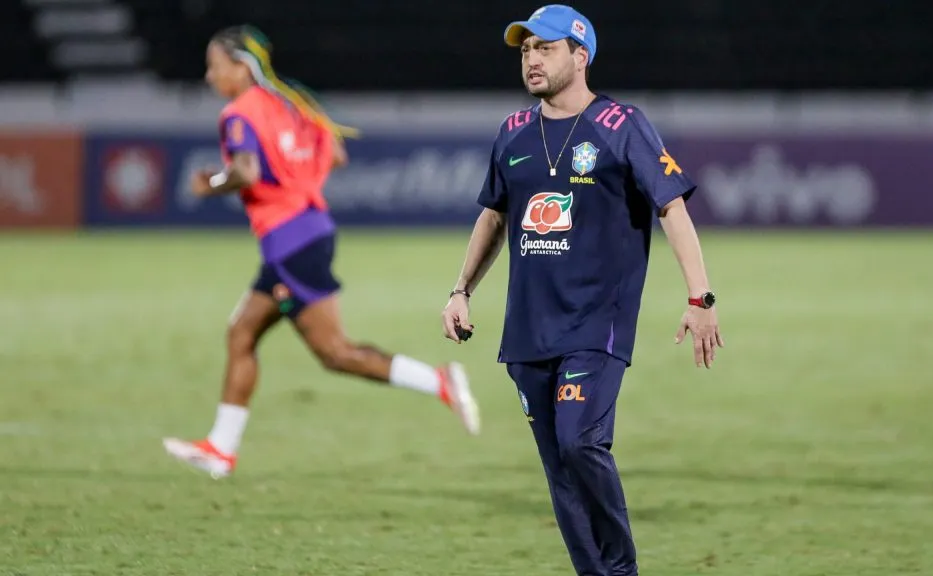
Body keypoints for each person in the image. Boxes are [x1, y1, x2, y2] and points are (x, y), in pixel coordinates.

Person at [440, 5, 724, 575]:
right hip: (528, 330)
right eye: (525, 50)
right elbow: (495, 216)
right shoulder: (514, 132)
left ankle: (621, 570)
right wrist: (461, 289)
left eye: (545, 48)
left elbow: (672, 207)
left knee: (579, 443)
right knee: (558, 469)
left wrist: (700, 299)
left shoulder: (622, 125)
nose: (532, 59)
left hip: (597, 323)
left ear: (580, 55)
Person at [163, 25, 480, 479]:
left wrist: (210, 183)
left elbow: (246, 171)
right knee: (242, 334)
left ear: (240, 67)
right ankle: (220, 449)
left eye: (214, 66)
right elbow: (335, 154)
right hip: (305, 234)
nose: (210, 76)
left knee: (335, 353)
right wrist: (299, 181)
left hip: (290, 243)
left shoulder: (239, 114)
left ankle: (439, 382)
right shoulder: (293, 103)